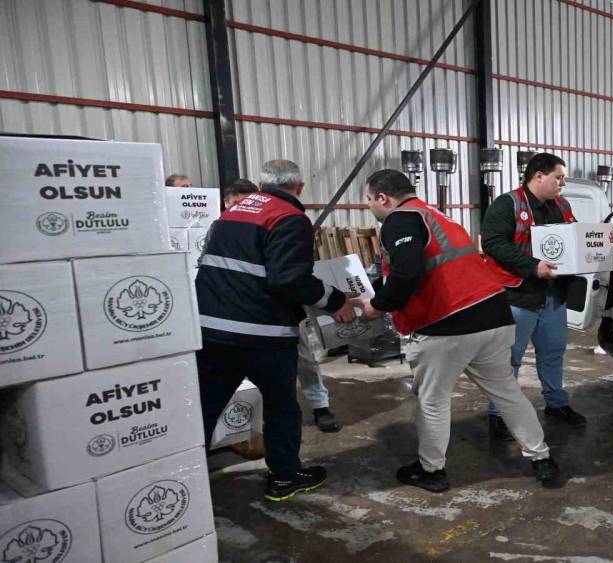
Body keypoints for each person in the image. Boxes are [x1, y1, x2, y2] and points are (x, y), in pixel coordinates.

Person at [355, 169, 561, 493]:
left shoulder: (400, 219)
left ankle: (432, 470)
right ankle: (542, 458)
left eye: (369, 200)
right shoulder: (439, 217)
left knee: (433, 400)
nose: (369, 206)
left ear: (384, 198)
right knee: (507, 393)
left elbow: (407, 271)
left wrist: (378, 306)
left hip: (446, 324)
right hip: (493, 315)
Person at [195, 159, 356, 501]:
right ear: (299, 187)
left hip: (211, 332)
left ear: (260, 184)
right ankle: (284, 477)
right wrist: (336, 301)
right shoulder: (288, 218)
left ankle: (185, 481)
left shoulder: (230, 215)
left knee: (204, 407)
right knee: (281, 407)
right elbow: (289, 280)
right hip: (262, 335)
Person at [220, 177, 342, 433]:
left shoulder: (279, 221)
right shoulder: (222, 229)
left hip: (281, 311)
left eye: (247, 202)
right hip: (239, 313)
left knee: (304, 358)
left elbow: (290, 275)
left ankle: (320, 405)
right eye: (235, 204)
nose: (243, 208)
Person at [480, 153, 585, 440]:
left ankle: (556, 404)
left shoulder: (562, 205)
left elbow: (576, 237)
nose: (562, 184)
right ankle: (499, 414)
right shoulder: (507, 204)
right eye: (558, 178)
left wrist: (599, 241)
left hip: (552, 297)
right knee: (509, 359)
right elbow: (492, 243)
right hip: (517, 296)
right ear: (539, 176)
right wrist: (532, 266)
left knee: (553, 353)